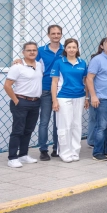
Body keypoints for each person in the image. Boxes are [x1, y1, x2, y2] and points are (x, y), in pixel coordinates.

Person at [5, 42, 44, 168]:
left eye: (34, 50)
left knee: (28, 130)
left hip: (35, 102)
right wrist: (16, 100)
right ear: (23, 52)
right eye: (29, 50)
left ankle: (23, 154)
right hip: (21, 101)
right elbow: (7, 85)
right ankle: (12, 158)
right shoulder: (17, 66)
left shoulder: (39, 65)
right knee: (18, 130)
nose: (32, 52)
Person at [50, 38, 88, 163]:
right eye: (69, 47)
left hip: (79, 96)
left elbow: (85, 81)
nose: (72, 49)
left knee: (76, 125)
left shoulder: (82, 63)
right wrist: (54, 100)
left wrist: (87, 97)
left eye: (74, 47)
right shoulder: (59, 62)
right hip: (63, 96)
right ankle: (64, 152)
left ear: (77, 49)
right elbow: (54, 82)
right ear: (65, 49)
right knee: (65, 125)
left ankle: (75, 151)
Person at [37, 25, 64, 160]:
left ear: (61, 35)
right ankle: (43, 149)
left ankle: (56, 148)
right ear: (48, 35)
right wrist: (19, 61)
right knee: (44, 121)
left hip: (61, 90)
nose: (56, 36)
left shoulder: (66, 50)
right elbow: (31, 63)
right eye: (53, 33)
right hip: (46, 89)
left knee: (58, 121)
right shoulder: (41, 51)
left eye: (58, 33)